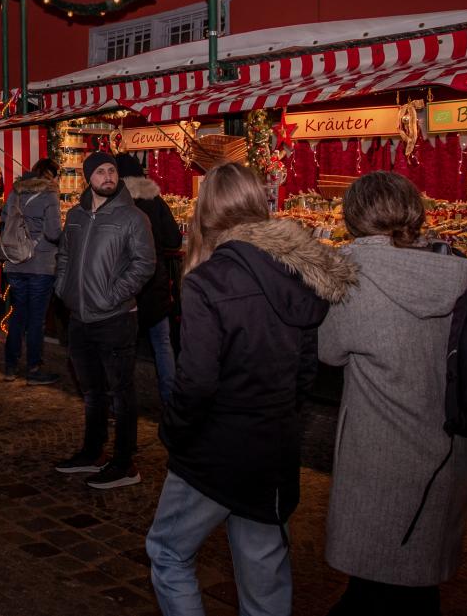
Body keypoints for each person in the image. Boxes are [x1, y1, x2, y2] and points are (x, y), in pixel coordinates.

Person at [146, 162, 356, 616]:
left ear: (206, 212)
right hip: (272, 447)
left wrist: (175, 432)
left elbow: (197, 380)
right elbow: (305, 373)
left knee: (167, 552)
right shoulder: (296, 275)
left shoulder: (209, 279)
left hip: (214, 450)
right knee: (263, 574)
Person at [318, 172, 467, 616]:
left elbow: (329, 351)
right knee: (417, 579)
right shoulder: (460, 271)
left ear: (353, 215)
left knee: (375, 574)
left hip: (380, 448)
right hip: (446, 445)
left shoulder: (350, 274)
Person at [53, 151, 155, 490]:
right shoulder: (77, 217)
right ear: (88, 178)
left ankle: (124, 463)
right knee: (92, 392)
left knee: (121, 393)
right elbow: (65, 254)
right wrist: (64, 288)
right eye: (100, 172)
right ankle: (91, 453)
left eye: (112, 171)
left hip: (115, 318)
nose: (108, 176)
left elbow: (144, 264)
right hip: (79, 317)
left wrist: (112, 296)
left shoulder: (133, 218)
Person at [115, 153, 182, 405]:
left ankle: (121, 403)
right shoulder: (155, 201)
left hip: (125, 287)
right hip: (155, 283)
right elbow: (174, 239)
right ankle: (170, 402)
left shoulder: (113, 204)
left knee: (124, 349)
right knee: (163, 345)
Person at [0, 158, 62, 384]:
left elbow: (5, 222)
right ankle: (34, 369)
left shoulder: (15, 191)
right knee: (36, 319)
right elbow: (54, 232)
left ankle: (10, 366)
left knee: (18, 314)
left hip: (15, 263)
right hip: (40, 265)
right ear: (51, 175)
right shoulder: (50, 193)